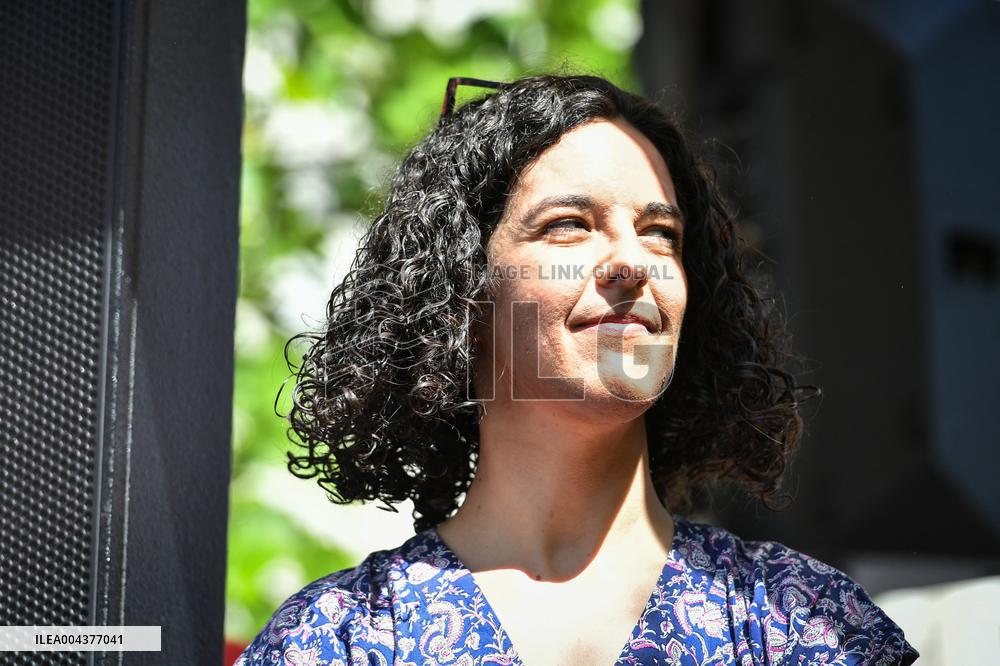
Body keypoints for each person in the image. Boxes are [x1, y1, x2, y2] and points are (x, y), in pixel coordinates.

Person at [236, 74, 918, 665]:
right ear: (461, 296)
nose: (633, 261)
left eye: (661, 234)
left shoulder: (801, 626)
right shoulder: (338, 642)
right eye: (569, 224)